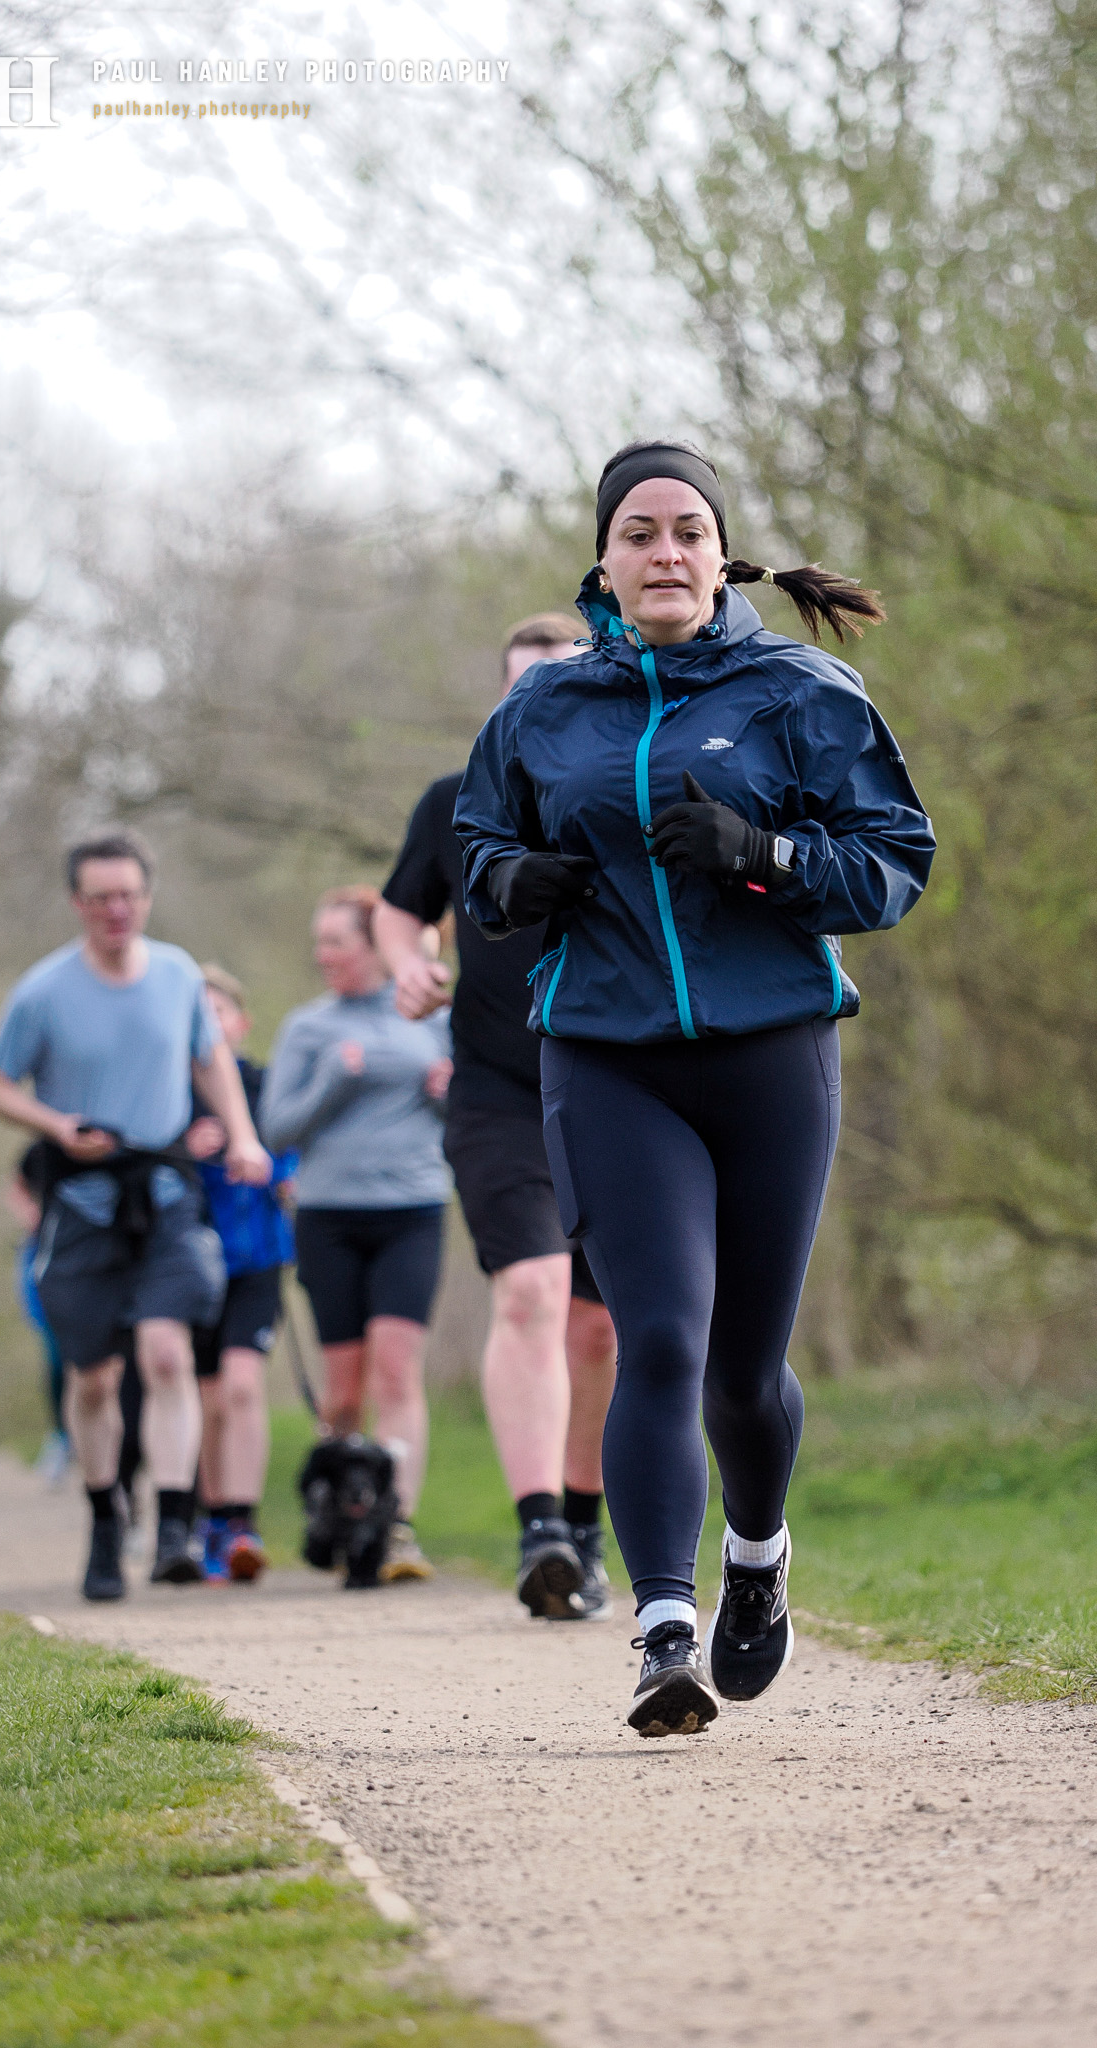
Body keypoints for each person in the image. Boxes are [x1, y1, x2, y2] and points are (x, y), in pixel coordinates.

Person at [456, 439, 935, 1735]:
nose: (664, 553)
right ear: (603, 565)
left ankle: (757, 1560)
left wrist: (762, 854)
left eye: (686, 531)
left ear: (720, 556)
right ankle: (663, 1630)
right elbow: (477, 850)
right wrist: (514, 888)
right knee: (655, 1337)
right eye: (638, 534)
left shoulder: (799, 689)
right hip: (608, 1058)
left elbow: (894, 862)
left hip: (771, 1052)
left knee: (743, 1370)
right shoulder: (544, 712)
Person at [374, 614, 619, 1621]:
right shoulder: (453, 802)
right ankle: (539, 1532)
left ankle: (586, 1519)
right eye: (518, 688)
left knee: (597, 1329)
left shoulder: (618, 790)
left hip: (615, 1081)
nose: (534, 705)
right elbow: (400, 908)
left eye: (554, 684)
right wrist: (407, 962)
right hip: (497, 1091)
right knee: (528, 1290)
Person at [0, 827, 271, 1603]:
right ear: (78, 903)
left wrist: (241, 1134)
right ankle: (106, 1515)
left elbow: (208, 1058)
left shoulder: (176, 974)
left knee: (169, 1353)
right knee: (95, 1379)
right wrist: (54, 1127)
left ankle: (174, 1525)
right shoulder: (43, 990)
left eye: (129, 896)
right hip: (80, 1204)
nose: (117, 910)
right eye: (101, 897)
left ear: (147, 896)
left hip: (168, 1191)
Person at [260, 885, 453, 1585]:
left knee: (399, 1371)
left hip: (413, 1210)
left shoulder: (433, 1017)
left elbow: (467, 1115)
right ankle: (338, 1513)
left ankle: (394, 1526)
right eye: (320, 942)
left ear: (376, 947)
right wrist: (331, 1085)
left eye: (337, 941)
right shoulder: (308, 1028)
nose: (324, 955)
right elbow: (276, 1128)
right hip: (329, 1216)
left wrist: (447, 1094)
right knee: (342, 1394)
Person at [185, 963, 297, 1583]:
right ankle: (212, 1520)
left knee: (242, 1386)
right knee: (206, 1399)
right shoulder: (169, 1093)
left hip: (257, 1259)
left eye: (218, 1013)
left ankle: (244, 1524)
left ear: (240, 1021)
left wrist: (272, 1165)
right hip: (192, 1263)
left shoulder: (265, 1087)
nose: (210, 1025)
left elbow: (291, 1154)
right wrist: (186, 1146)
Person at [3, 1146, 72, 1484]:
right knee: (58, 1356)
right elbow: (16, 1184)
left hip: (98, 1258)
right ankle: (62, 1437)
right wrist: (31, 1215)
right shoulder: (41, 1150)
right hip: (47, 1260)